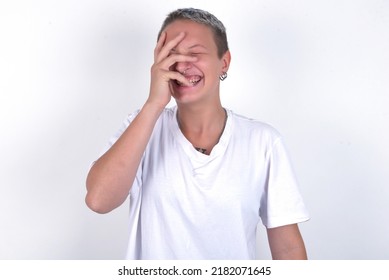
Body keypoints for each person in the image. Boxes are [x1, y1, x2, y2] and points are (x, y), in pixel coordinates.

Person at [86, 8, 310, 260]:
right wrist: (153, 104)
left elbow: (288, 249)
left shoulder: (263, 142)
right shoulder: (142, 127)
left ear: (224, 62)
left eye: (194, 54)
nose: (181, 65)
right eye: (171, 54)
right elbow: (98, 200)